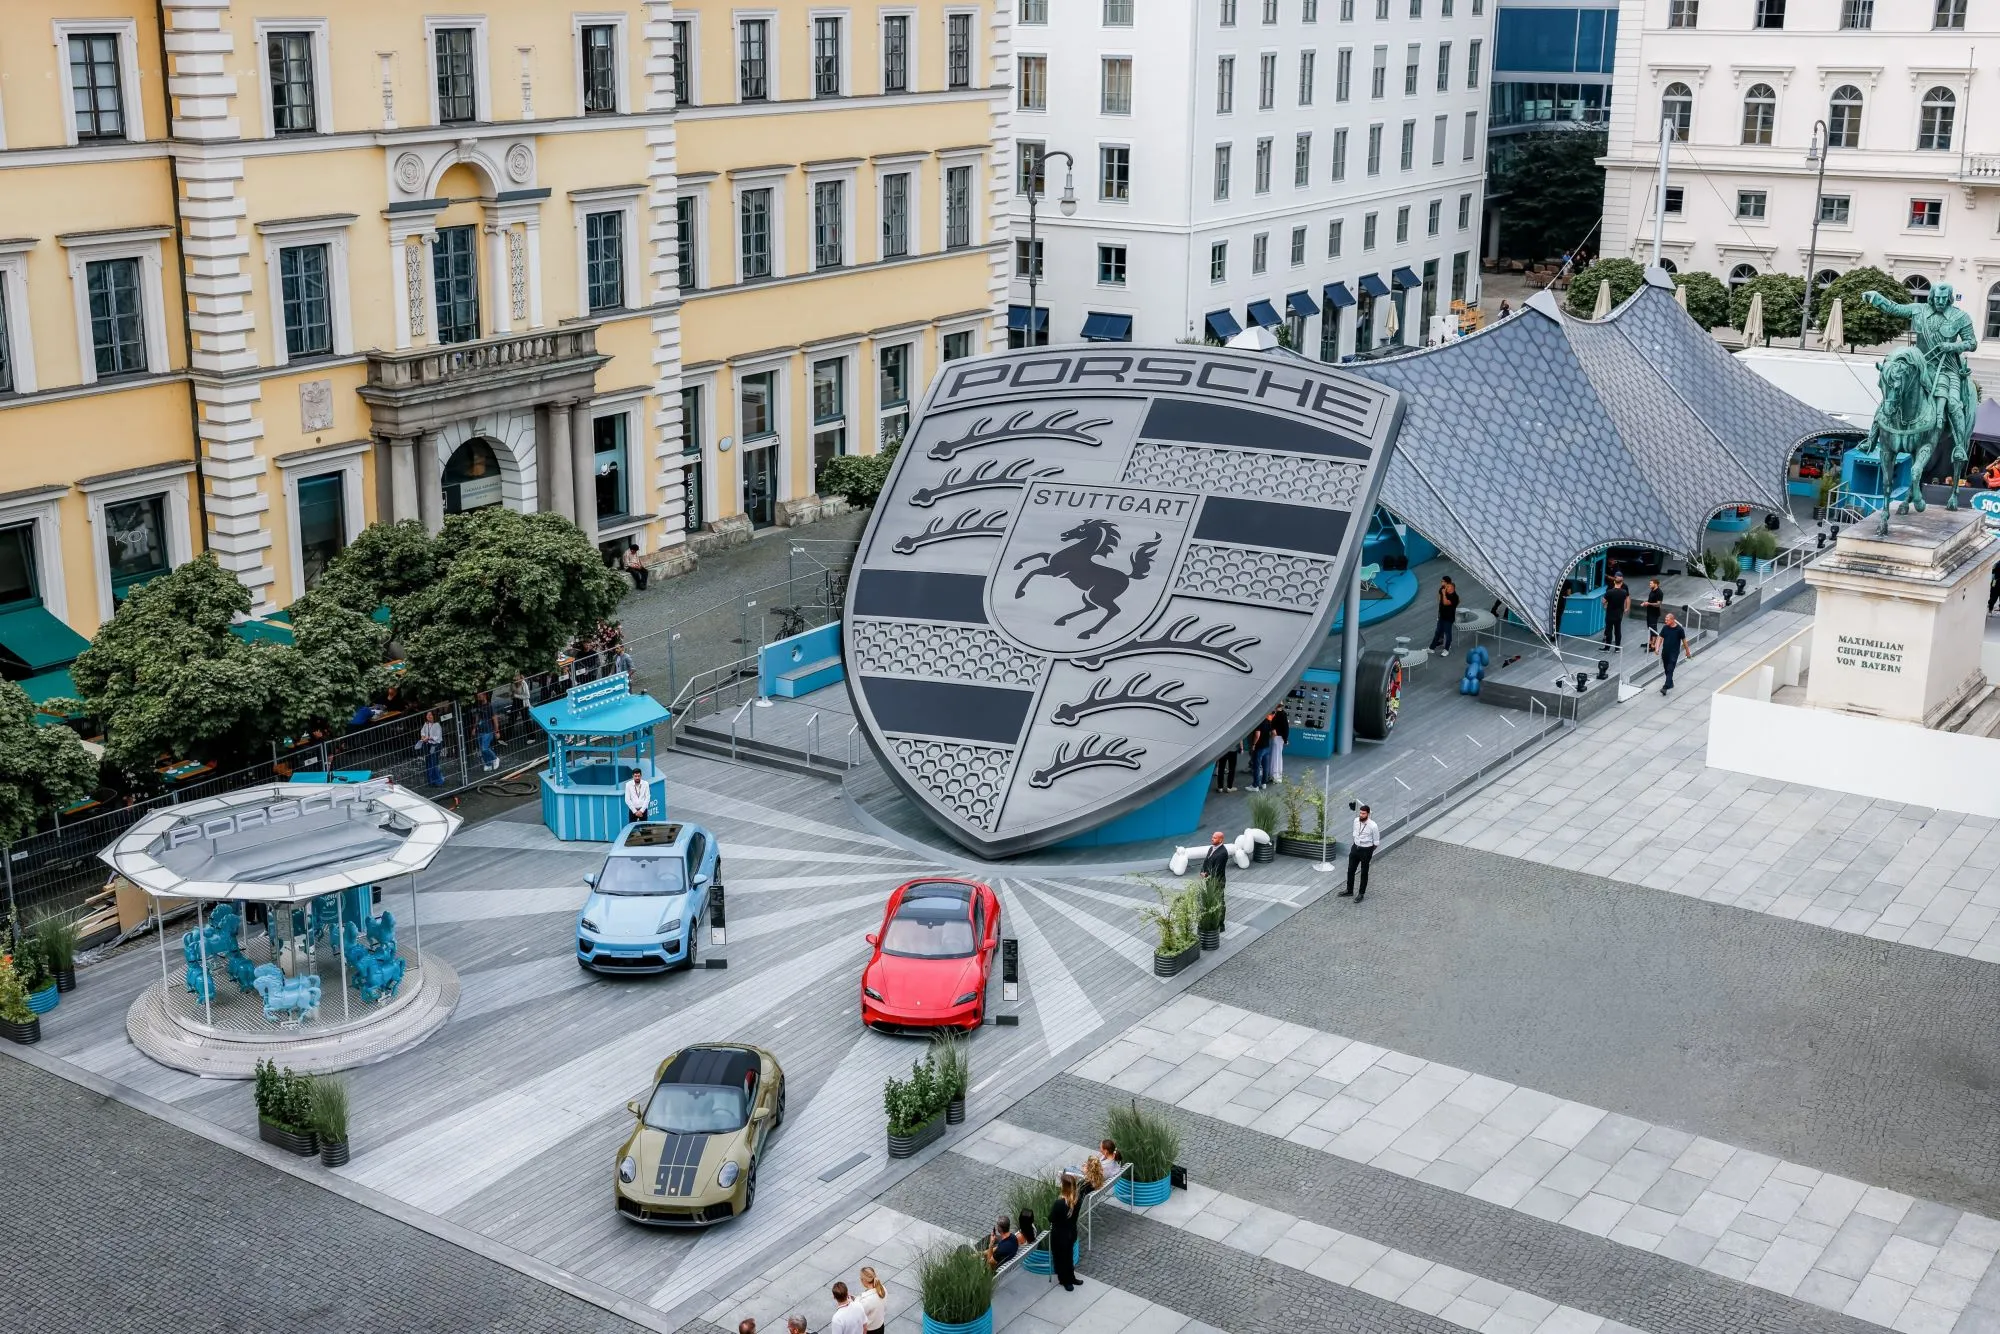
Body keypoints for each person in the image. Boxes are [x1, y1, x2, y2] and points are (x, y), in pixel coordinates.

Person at [1048, 1173, 1082, 1292]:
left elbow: (1051, 1218)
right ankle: (1071, 1277)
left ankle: (1065, 1280)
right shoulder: (1077, 1200)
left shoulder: (1060, 1203)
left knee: (1060, 1258)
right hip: (1071, 1232)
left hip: (1060, 1235)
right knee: (1069, 1255)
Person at [1340, 804, 1381, 902]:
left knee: (1364, 872)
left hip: (1366, 850)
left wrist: (1369, 850)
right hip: (1355, 847)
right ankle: (1349, 890)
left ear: (1368, 814)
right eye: (1360, 813)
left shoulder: (1373, 826)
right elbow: (1355, 832)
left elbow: (1376, 842)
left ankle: (1361, 894)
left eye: (1363, 813)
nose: (1361, 815)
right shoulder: (1356, 821)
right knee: (1350, 870)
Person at [1658, 612, 1690, 694]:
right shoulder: (1665, 628)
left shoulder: (1679, 629)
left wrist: (1687, 651)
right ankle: (1670, 683)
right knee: (1666, 669)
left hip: (1674, 653)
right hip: (1665, 652)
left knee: (1670, 669)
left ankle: (1665, 687)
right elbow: (1660, 638)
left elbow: (1684, 641)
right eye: (1665, 619)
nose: (1666, 621)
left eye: (1667, 620)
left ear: (1672, 620)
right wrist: (1657, 648)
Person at [1429, 576, 1461, 652]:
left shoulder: (1454, 596)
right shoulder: (1442, 589)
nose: (1441, 582)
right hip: (1442, 615)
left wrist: (1453, 606)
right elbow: (1440, 600)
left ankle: (1446, 648)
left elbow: (1446, 602)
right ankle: (1432, 647)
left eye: (1443, 581)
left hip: (1448, 618)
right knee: (1438, 631)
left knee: (1447, 633)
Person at [1601, 574, 1629, 652]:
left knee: (1609, 630)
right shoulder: (1624, 592)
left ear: (1614, 582)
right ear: (1621, 583)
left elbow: (1603, 601)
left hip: (1610, 613)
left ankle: (1607, 648)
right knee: (1618, 630)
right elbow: (1626, 599)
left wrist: (1605, 604)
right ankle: (1617, 648)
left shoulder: (1609, 592)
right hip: (1619, 614)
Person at [416, 710, 444, 787]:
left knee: (434, 762)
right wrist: (423, 736)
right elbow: (422, 732)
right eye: (427, 715)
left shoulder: (437, 725)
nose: (428, 716)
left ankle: (438, 781)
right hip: (428, 745)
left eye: (430, 715)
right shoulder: (426, 724)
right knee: (428, 762)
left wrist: (428, 738)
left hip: (435, 745)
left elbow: (437, 737)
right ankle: (430, 781)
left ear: (434, 716)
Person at [856, 1267, 887, 1332]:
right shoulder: (882, 1289)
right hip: (880, 1326)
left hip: (870, 1330)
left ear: (864, 1280)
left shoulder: (866, 1301)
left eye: (861, 1278)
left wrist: (855, 1300)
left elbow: (858, 1316)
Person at [1248, 716, 1274, 791]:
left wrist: (1253, 744)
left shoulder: (1258, 722)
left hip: (1259, 747)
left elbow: (1257, 735)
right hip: (1266, 746)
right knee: (1265, 766)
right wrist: (1268, 738)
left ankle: (1255, 786)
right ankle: (1264, 783)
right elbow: (1274, 733)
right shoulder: (1268, 721)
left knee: (1256, 767)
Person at [1640, 579, 1664, 654]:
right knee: (1649, 628)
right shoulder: (1652, 590)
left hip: (1654, 613)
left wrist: (1649, 604)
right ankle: (1650, 643)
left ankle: (1653, 645)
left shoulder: (1659, 592)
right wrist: (1645, 603)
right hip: (1649, 612)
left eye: (1651, 583)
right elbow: (1650, 600)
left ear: (1656, 584)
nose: (1650, 585)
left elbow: (1658, 604)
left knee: (1653, 629)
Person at [474, 702, 497, 773]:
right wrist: (474, 728)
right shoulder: (478, 706)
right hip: (480, 731)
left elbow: (494, 718)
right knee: (482, 749)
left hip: (488, 731)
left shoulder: (489, 706)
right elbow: (477, 718)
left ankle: (495, 758)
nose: (478, 698)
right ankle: (488, 764)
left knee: (484, 748)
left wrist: (497, 731)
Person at [1267, 707, 1287, 782]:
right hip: (1278, 738)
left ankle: (1275, 775)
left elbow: (1285, 728)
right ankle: (1275, 775)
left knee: (1275, 756)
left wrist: (1285, 739)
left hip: (1278, 738)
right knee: (1276, 756)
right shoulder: (1281, 714)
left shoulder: (1280, 715)